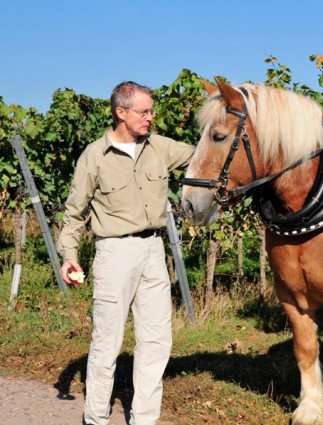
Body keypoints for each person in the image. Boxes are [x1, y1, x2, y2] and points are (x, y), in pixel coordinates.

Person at [57, 81, 195, 425]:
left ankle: (145, 419)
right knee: (107, 340)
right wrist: (69, 254)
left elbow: (203, 155)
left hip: (153, 250)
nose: (151, 117)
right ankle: (97, 418)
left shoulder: (161, 146)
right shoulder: (94, 156)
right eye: (143, 111)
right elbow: (75, 211)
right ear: (121, 112)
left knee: (157, 339)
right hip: (114, 253)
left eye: (151, 111)